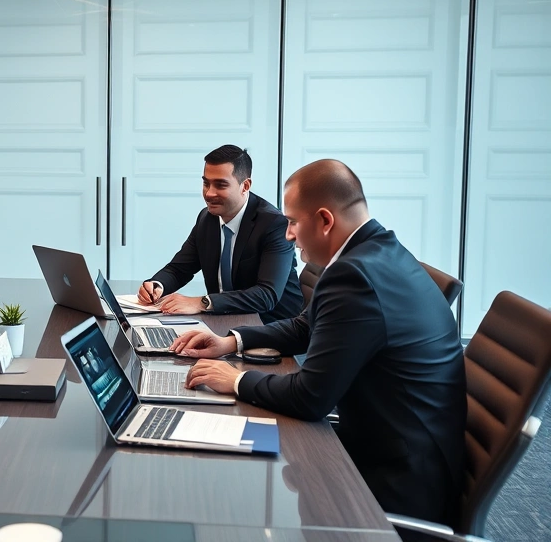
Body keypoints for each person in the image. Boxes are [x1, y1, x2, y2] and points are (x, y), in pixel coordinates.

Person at [174, 159, 466, 527]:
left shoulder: (355, 276)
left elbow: (309, 398)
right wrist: (230, 342)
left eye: (293, 222)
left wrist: (234, 379)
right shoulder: (377, 251)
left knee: (233, 492)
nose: (288, 235)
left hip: (397, 480)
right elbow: (305, 327)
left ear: (325, 220)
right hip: (400, 445)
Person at [137, 145, 302, 323]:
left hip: (271, 326)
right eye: (206, 183)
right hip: (224, 321)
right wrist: (157, 285)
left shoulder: (274, 224)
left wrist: (202, 302)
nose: (209, 193)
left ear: (245, 186)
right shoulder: (207, 219)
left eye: (220, 185)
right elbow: (179, 269)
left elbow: (266, 295)